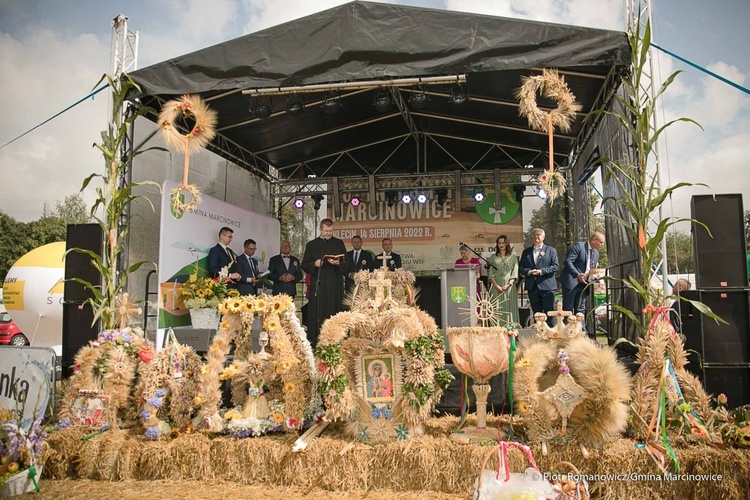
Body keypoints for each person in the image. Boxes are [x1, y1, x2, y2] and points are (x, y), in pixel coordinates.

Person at [301, 218, 348, 349]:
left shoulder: (339, 243)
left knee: (333, 312)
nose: (328, 233)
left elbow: (347, 264)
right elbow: (304, 265)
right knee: (317, 313)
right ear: (320, 229)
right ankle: (316, 343)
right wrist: (314, 264)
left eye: (331, 231)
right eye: (326, 231)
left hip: (334, 285)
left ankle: (335, 341)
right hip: (319, 285)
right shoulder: (312, 245)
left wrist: (338, 263)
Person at [560, 232, 605, 335]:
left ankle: (582, 334)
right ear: (593, 240)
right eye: (601, 242)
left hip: (584, 284)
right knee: (568, 309)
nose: (602, 245)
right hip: (571, 282)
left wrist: (596, 277)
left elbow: (591, 269)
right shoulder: (579, 247)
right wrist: (577, 274)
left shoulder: (596, 253)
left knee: (581, 309)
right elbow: (568, 262)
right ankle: (566, 334)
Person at [519, 228, 559, 326]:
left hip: (547, 287)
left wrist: (541, 271)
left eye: (539, 235)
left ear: (543, 237)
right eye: (535, 235)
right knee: (537, 314)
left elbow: (555, 266)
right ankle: (539, 334)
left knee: (549, 313)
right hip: (533, 287)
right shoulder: (526, 252)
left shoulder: (551, 250)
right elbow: (521, 268)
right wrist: (529, 272)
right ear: (532, 237)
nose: (537, 237)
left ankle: (552, 335)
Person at [487, 235, 519, 325]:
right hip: (496, 287)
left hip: (509, 288)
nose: (501, 245)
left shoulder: (512, 257)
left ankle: (511, 331)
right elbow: (491, 273)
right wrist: (496, 286)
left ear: (507, 244)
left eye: (503, 243)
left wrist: (508, 284)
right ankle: (496, 331)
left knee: (509, 308)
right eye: (499, 243)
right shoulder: (493, 257)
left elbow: (514, 272)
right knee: (497, 308)